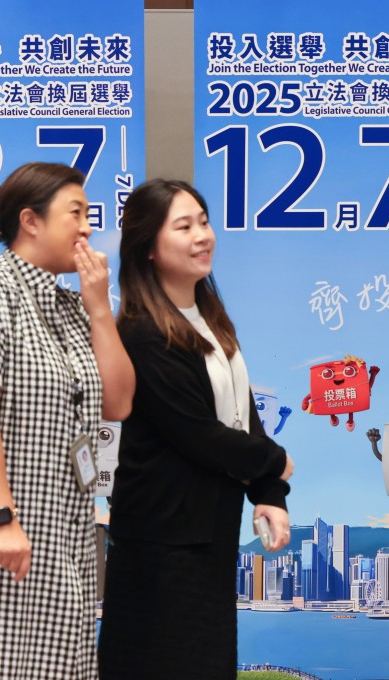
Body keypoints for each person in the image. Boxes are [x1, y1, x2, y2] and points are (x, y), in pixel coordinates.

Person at [0, 162, 136, 679]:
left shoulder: (72, 306)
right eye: (75, 213)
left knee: (58, 664)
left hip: (62, 528)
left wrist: (100, 307)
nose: (86, 227)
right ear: (30, 221)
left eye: (89, 214)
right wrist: (2, 519)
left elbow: (119, 403)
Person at [98, 179, 294, 679]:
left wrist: (271, 490)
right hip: (162, 543)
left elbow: (243, 414)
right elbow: (199, 435)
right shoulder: (142, 332)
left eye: (203, 221)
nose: (202, 235)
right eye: (183, 226)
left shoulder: (208, 316)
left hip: (206, 533)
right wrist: (275, 463)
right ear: (148, 248)